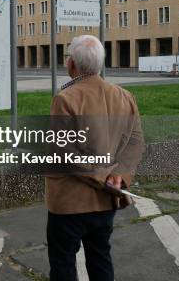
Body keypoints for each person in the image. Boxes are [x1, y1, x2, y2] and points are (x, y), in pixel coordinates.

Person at [46, 34, 145, 281]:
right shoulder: (124, 95)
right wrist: (118, 176)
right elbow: (135, 142)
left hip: (69, 202)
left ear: (71, 64)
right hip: (107, 199)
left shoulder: (65, 98)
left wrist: (102, 175)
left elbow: (63, 152)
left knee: (63, 263)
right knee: (100, 257)